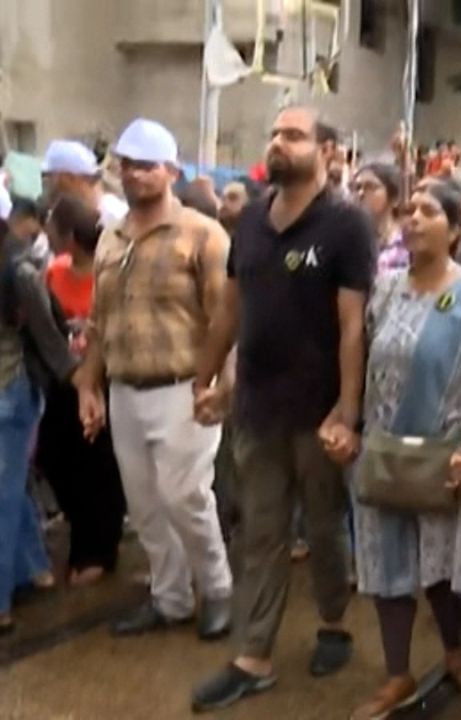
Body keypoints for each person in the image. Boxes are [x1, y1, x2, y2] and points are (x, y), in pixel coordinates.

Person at [190, 106, 374, 712]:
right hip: (257, 410)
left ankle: (333, 623)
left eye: (293, 134)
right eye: (274, 132)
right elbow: (229, 309)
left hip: (319, 414)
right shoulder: (247, 223)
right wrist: (207, 377)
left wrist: (347, 411)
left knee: (323, 528)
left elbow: (352, 326)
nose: (278, 142)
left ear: (327, 150)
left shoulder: (347, 226)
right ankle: (254, 656)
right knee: (263, 533)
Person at [347, 181, 461, 719]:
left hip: (444, 457)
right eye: (407, 210)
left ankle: (457, 650)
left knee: (440, 567)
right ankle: (397, 674)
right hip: (383, 452)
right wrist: (346, 421)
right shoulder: (385, 289)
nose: (413, 218)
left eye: (429, 211)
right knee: (385, 563)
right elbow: (361, 358)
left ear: (457, 227)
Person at [71, 118, 233, 643]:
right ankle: (170, 599)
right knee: (144, 504)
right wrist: (89, 386)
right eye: (127, 165)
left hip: (184, 386)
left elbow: (225, 316)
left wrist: (221, 384)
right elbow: (99, 322)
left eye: (147, 165)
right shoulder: (110, 239)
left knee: (186, 495)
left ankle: (217, 589)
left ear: (172, 171)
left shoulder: (203, 234)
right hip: (125, 391)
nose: (135, 174)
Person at [35, 196, 126, 587]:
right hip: (62, 383)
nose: (46, 235)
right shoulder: (52, 274)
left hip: (102, 380)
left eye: (53, 229)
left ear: (70, 236)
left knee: (98, 469)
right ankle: (80, 532)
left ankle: (97, 550)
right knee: (54, 459)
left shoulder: (111, 275)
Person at [0, 197, 77, 633]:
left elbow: (50, 338)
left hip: (10, 390)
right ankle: (33, 567)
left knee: (3, 494)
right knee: (10, 488)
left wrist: (80, 380)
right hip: (11, 390)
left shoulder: (20, 272)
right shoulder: (20, 268)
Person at [41, 139, 128, 227]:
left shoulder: (117, 217)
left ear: (69, 178)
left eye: (49, 176)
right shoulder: (59, 220)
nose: (46, 184)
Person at [353, 162, 406, 276]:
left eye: (370, 187)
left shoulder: (407, 244)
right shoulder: (346, 240)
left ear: (394, 197)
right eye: (357, 188)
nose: (361, 193)